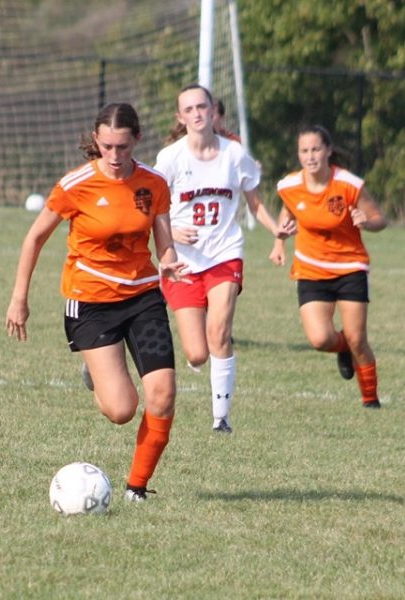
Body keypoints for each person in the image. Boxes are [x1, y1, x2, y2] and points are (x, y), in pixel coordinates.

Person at [5, 102, 187, 502]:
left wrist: (170, 261)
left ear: (136, 140)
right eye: (107, 147)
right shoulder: (76, 185)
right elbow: (34, 238)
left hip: (142, 296)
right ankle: (95, 373)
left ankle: (136, 489)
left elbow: (165, 242)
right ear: (96, 141)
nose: (116, 157)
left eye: (123, 147)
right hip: (90, 302)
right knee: (122, 410)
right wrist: (20, 298)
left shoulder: (153, 184)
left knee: (163, 394)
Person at [154, 83, 294, 433]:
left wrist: (275, 230)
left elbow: (255, 202)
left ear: (213, 110)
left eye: (203, 106)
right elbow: (152, 210)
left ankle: (221, 419)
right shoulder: (170, 158)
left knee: (220, 331)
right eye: (189, 109)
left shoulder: (234, 154)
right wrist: (170, 235)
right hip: (183, 261)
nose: (198, 114)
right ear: (180, 117)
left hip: (224, 253)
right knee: (197, 354)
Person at [269, 125, 387, 409]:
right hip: (311, 269)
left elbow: (380, 219)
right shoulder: (288, 186)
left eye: (316, 149)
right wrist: (279, 241)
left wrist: (366, 223)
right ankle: (342, 347)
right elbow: (290, 210)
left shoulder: (348, 184)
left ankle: (370, 399)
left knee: (358, 338)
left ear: (328, 151)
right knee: (321, 338)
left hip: (350, 267)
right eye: (304, 151)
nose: (310, 156)